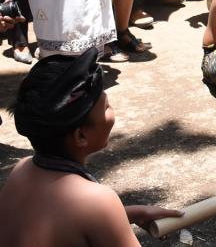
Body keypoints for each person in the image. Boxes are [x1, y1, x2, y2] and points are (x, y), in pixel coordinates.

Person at [0, 48, 185, 245]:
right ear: (80, 135)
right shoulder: (97, 201)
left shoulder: (21, 169)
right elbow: (87, 211)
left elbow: (61, 222)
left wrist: (128, 214)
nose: (112, 112)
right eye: (106, 107)